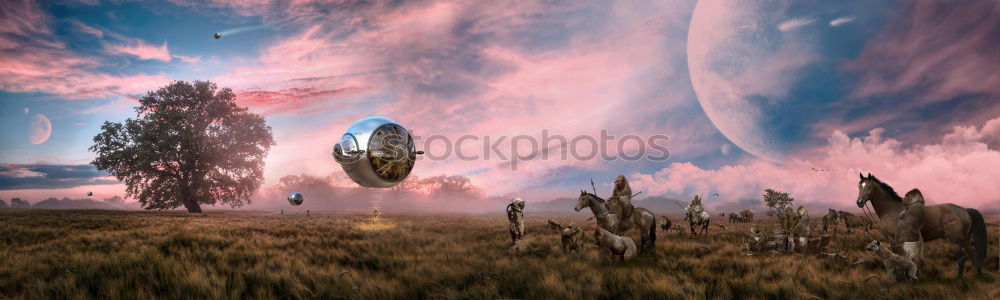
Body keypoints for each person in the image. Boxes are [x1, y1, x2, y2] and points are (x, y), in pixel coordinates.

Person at [898, 189, 925, 269]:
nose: (904, 198)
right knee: (912, 259)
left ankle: (911, 279)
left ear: (913, 197)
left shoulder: (915, 208)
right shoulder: (912, 207)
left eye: (907, 196)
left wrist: (902, 238)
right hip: (911, 239)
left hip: (910, 240)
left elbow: (910, 226)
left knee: (910, 261)